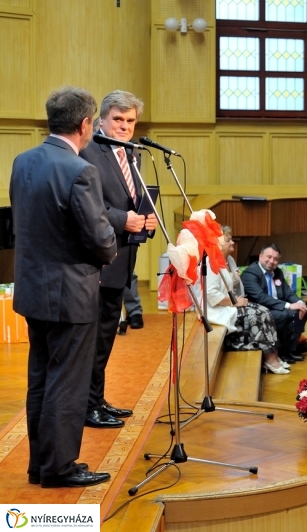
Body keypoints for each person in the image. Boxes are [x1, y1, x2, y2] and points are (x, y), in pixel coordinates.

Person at [11, 86, 117, 487]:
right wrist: (110, 246)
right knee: (67, 382)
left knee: (40, 377)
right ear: (86, 124)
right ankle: (58, 468)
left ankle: (40, 464)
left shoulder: (23, 161)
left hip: (32, 290)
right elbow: (100, 239)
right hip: (71, 293)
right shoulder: (80, 170)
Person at [80, 90, 157, 429]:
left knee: (106, 337)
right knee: (94, 340)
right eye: (118, 119)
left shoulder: (132, 154)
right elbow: (89, 206)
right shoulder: (88, 151)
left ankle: (96, 399)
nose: (125, 126)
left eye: (130, 121)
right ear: (102, 120)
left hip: (123, 259)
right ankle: (87, 406)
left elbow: (133, 201)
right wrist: (123, 219)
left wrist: (146, 219)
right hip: (96, 262)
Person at [200, 231, 286, 374]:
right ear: (218, 243)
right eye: (228, 240)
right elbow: (210, 294)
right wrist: (235, 302)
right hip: (216, 309)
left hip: (232, 302)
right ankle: (269, 358)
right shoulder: (210, 262)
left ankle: (274, 354)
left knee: (264, 310)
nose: (232, 242)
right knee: (258, 315)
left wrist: (239, 300)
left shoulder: (229, 260)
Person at [242, 244, 307, 364]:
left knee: (302, 310)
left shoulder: (277, 272)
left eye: (276, 259)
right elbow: (260, 297)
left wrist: (300, 303)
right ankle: (280, 351)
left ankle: (290, 350)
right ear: (260, 256)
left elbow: (287, 292)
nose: (272, 261)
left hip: (277, 306)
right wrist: (288, 305)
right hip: (260, 309)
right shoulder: (250, 273)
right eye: (269, 257)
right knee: (283, 315)